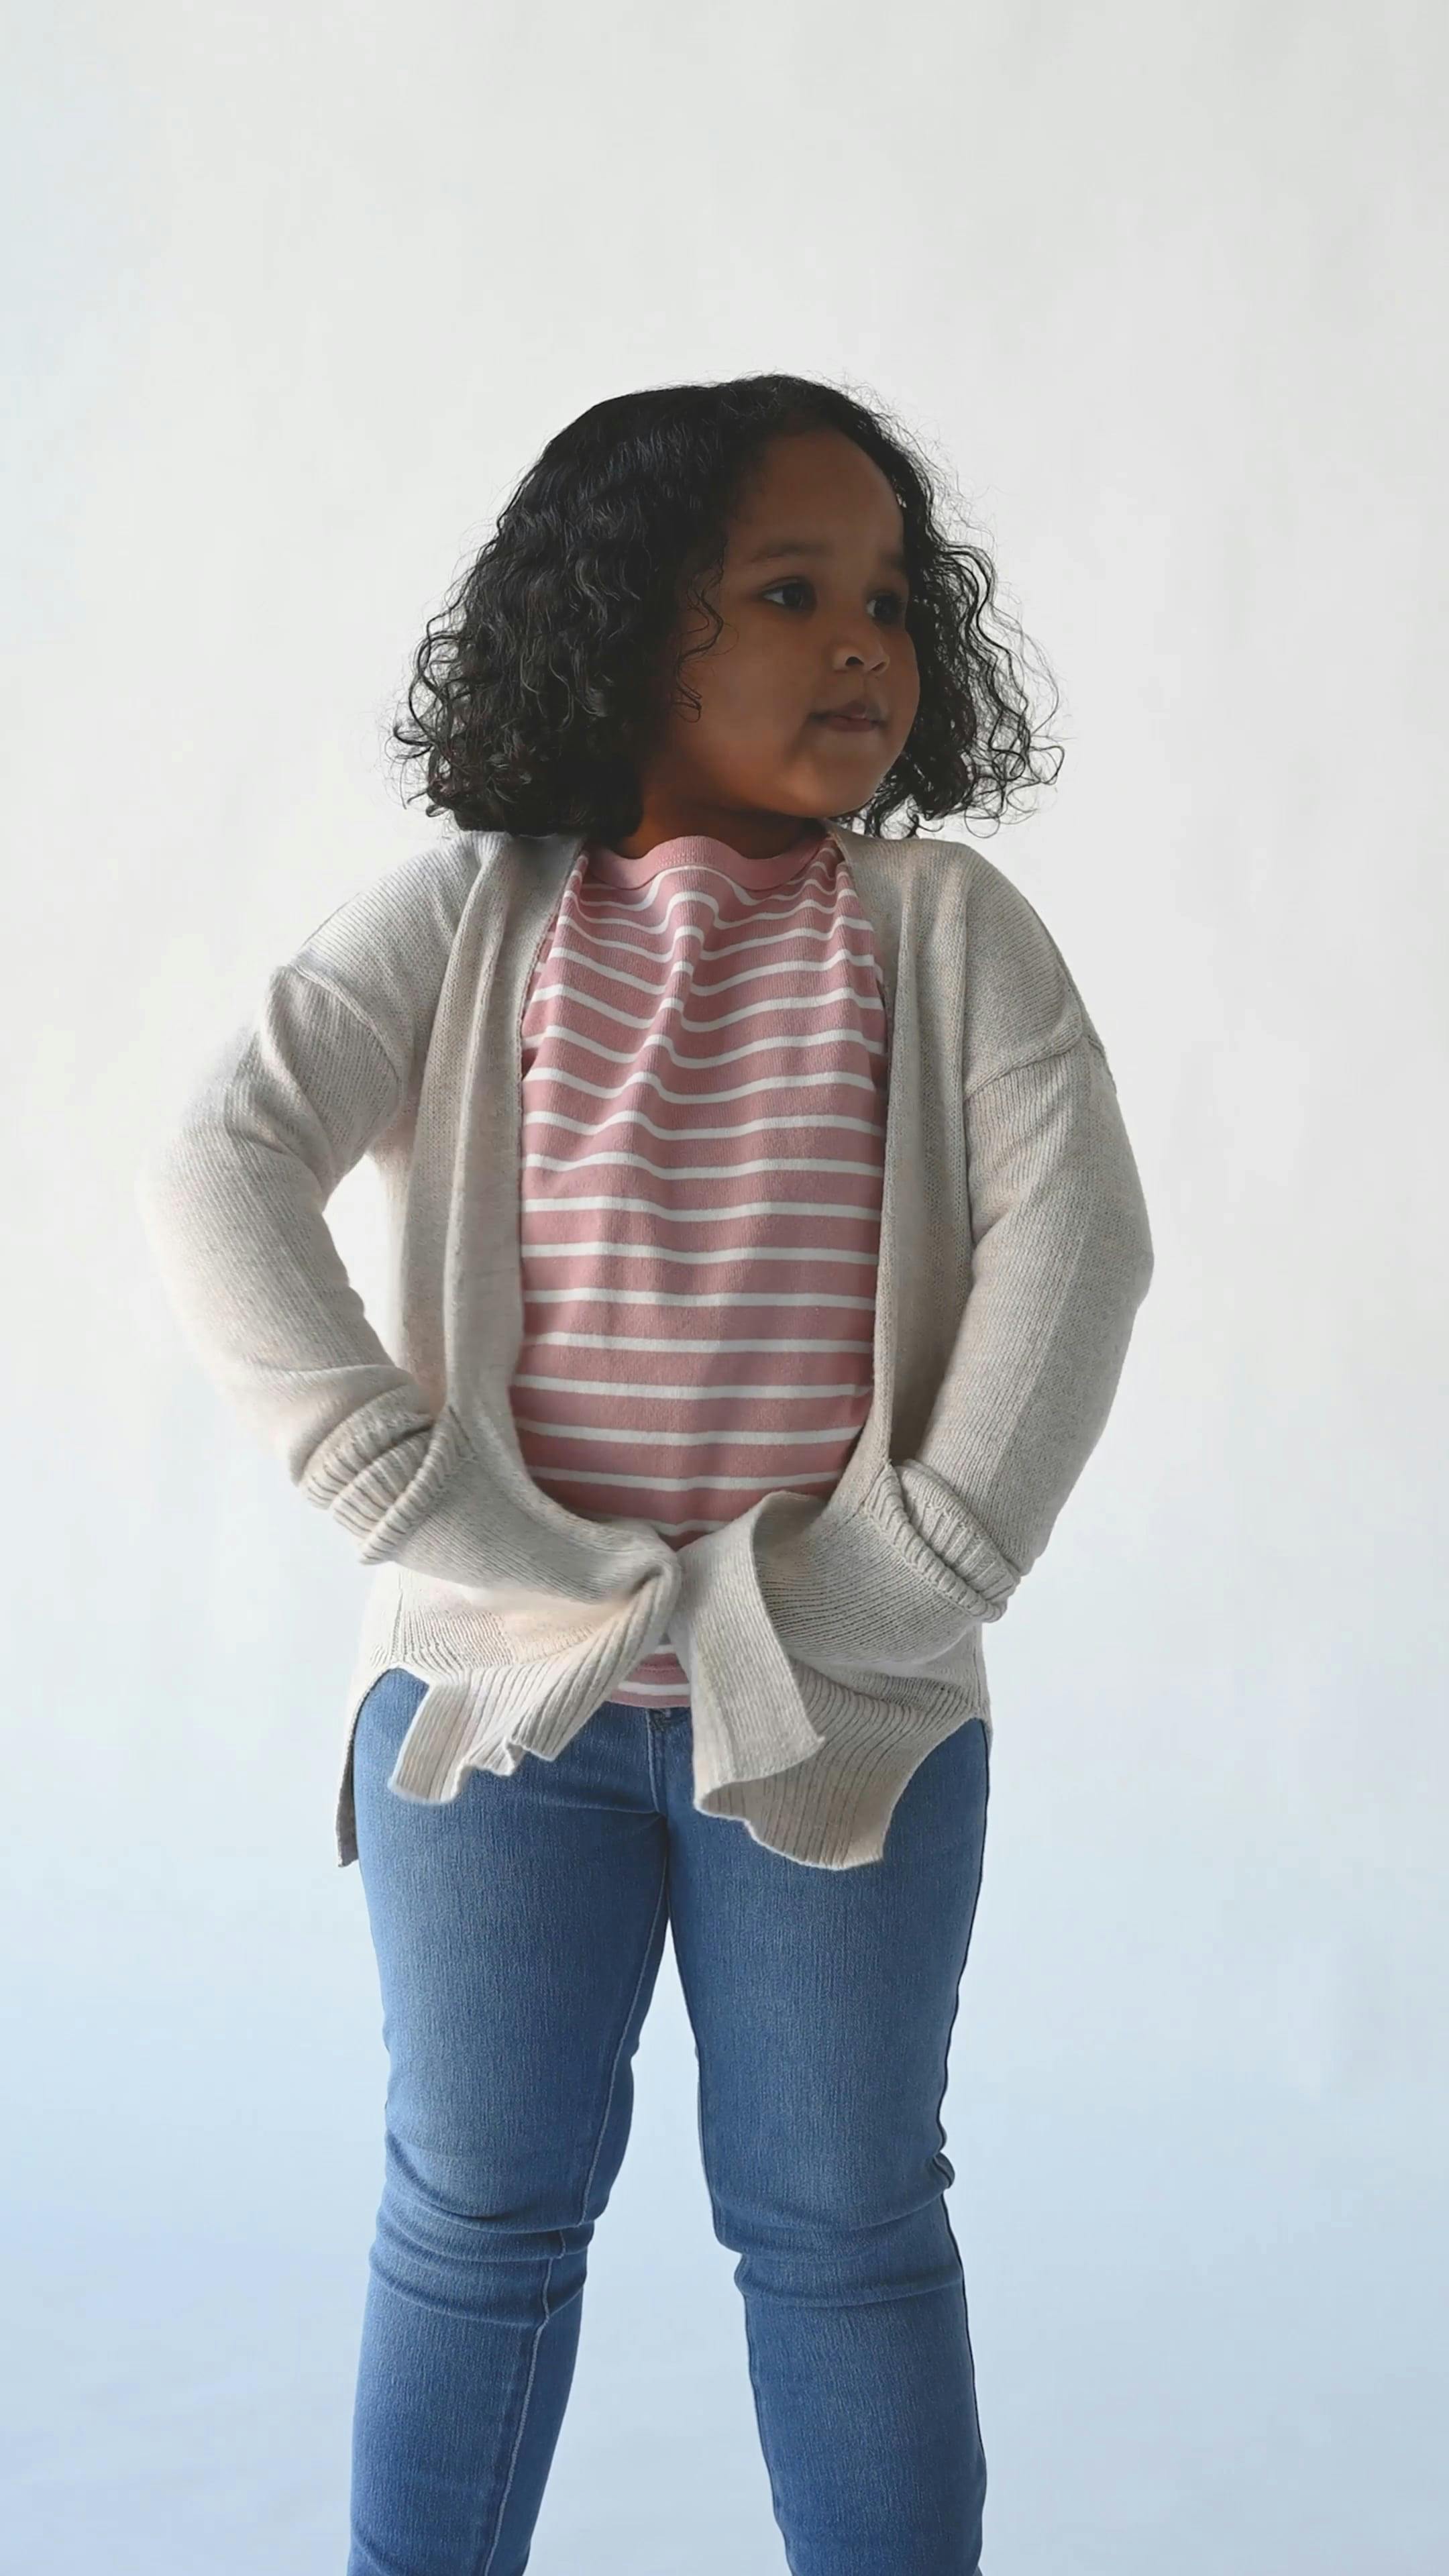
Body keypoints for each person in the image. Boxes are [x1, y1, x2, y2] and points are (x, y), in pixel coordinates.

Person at [136, 372, 1155, 2574]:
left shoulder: (941, 928)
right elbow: (222, 1157)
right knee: (476, 2210)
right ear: (621, 625)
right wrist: (395, 1479)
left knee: (844, 2222)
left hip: (850, 1717)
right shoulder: (472, 916)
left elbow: (1082, 1238)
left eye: (892, 599)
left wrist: (925, 1564)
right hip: (497, 1712)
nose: (864, 643)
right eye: (790, 593)